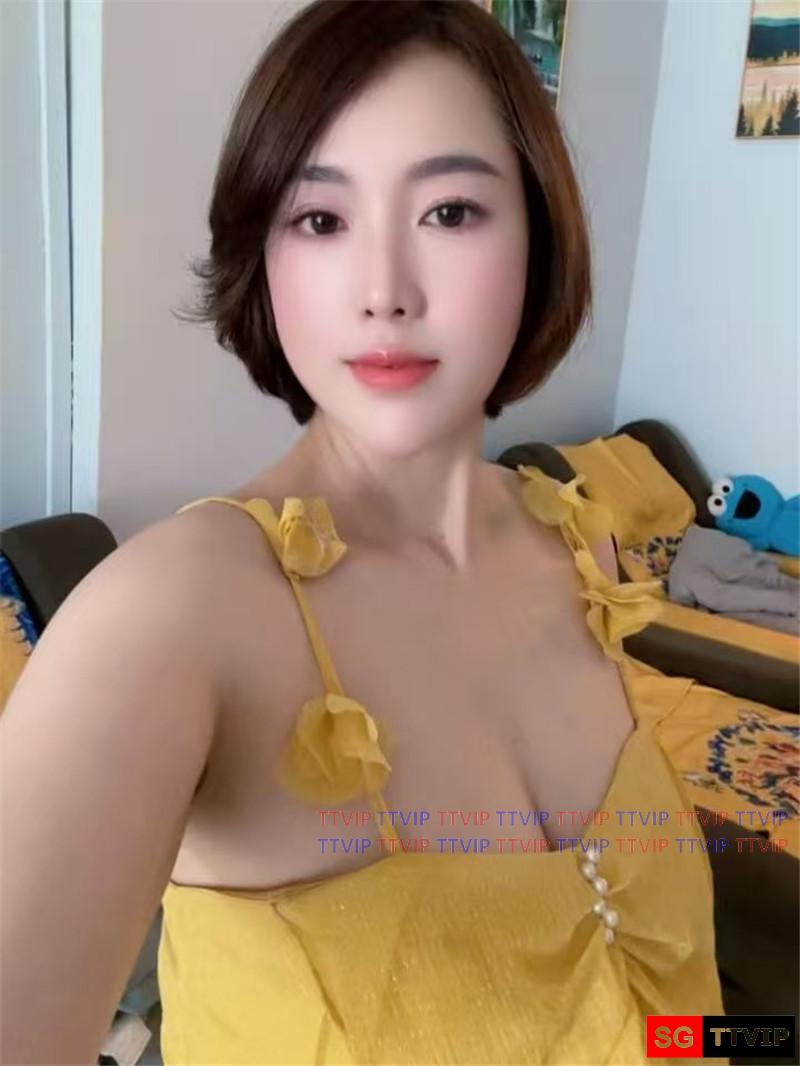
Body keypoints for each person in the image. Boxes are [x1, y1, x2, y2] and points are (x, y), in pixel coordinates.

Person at [1, 2, 726, 1063]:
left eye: (449, 212)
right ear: (262, 252)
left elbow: (677, 1023)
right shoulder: (169, 623)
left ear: (538, 235)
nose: (384, 292)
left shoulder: (580, 548)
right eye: (319, 219)